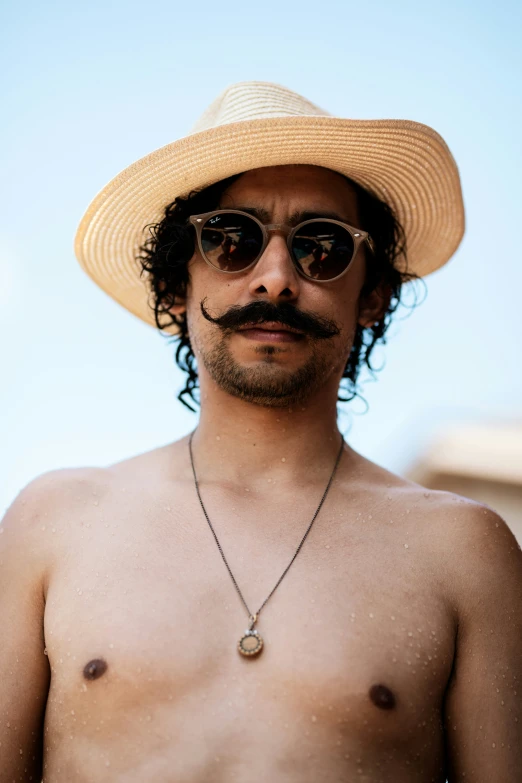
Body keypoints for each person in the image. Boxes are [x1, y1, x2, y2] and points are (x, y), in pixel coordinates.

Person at [1, 81, 521, 783]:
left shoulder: (463, 552)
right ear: (176, 286)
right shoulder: (53, 523)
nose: (275, 279)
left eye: (323, 247)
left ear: (371, 294)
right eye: (231, 239)